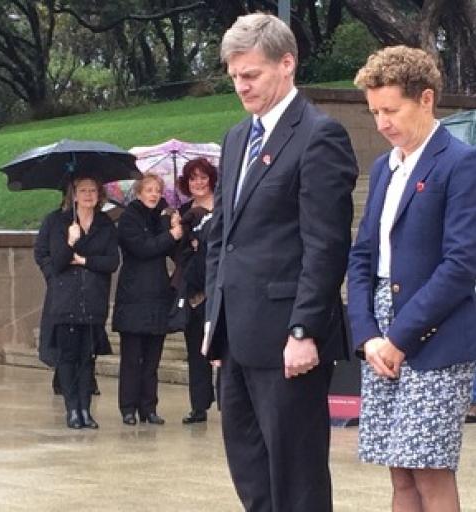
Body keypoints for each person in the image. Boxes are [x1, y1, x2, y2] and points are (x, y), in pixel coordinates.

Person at [201, 13, 358, 512]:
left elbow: (326, 244)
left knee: (297, 481)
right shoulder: (234, 139)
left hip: (288, 340)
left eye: (251, 75)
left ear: (286, 64)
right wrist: (214, 321)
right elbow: (221, 237)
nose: (240, 87)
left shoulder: (319, 136)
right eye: (234, 77)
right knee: (250, 474)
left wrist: (304, 330)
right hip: (237, 335)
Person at [347, 46, 476, 512]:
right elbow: (362, 254)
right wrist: (366, 334)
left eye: (390, 110)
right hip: (380, 332)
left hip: (433, 336)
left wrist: (399, 337)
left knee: (429, 471)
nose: (381, 122)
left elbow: (462, 265)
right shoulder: (384, 166)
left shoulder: (460, 163)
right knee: (399, 473)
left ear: (425, 99)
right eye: (374, 111)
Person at [35, 175, 119, 429]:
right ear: (73, 194)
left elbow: (111, 262)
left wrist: (84, 261)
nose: (88, 195)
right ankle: (72, 409)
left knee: (87, 357)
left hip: (93, 299)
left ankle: (86, 409)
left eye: (93, 190)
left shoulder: (105, 224)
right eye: (82, 190)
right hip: (64, 299)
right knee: (69, 356)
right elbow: (47, 257)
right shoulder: (56, 222)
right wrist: (69, 241)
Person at [112, 173, 182, 426]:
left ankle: (149, 407)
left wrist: (175, 228)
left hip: (158, 295)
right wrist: (170, 236)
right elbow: (143, 248)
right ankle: (128, 407)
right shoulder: (129, 218)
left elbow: (174, 252)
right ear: (139, 193)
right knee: (132, 358)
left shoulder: (163, 217)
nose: (154, 194)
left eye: (158, 190)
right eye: (149, 189)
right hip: (134, 295)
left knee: (153, 358)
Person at [175, 158, 217, 424]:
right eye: (192, 178)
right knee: (196, 349)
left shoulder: (226, 204)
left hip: (223, 283)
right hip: (195, 289)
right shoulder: (183, 212)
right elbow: (176, 254)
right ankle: (199, 405)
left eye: (202, 177)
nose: (198, 183)